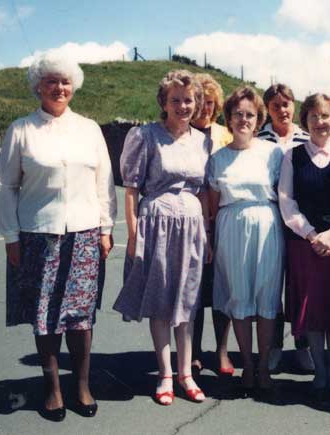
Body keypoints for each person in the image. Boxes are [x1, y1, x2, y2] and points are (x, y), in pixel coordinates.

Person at [0, 53, 117, 421]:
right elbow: (5, 186)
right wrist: (11, 236)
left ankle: (81, 385)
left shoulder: (89, 128)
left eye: (65, 82)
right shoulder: (21, 129)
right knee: (44, 315)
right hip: (37, 236)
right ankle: (52, 389)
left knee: (80, 315)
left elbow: (104, 181)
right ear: (38, 86)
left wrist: (106, 227)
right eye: (51, 81)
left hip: (84, 233)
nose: (59, 88)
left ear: (73, 86)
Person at [113, 70, 210, 405]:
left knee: (187, 300)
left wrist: (207, 234)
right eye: (175, 100)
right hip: (156, 223)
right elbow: (131, 189)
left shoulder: (202, 140)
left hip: (191, 227)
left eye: (188, 100)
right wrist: (132, 231)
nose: (182, 106)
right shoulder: (146, 136)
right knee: (160, 301)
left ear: (196, 103)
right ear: (164, 103)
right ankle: (165, 374)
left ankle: (186, 374)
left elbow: (205, 190)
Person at [278, 93, 330, 396]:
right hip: (305, 245)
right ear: (305, 120)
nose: (320, 121)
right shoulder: (293, 156)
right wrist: (313, 235)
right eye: (313, 116)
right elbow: (286, 201)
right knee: (311, 308)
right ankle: (320, 369)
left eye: (325, 115)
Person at [208, 86, 284, 390]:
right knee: (238, 297)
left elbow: (284, 195)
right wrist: (212, 241)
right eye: (237, 114)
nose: (243, 119)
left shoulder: (273, 153)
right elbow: (213, 206)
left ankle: (264, 365)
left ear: (258, 119)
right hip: (231, 228)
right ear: (228, 117)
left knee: (267, 297)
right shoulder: (218, 159)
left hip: (267, 225)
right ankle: (248, 366)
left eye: (250, 114)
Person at [257, 83, 313, 372]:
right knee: (272, 285)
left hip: (300, 221)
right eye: (275, 105)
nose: (282, 110)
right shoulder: (259, 139)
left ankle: (302, 345)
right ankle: (274, 346)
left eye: (286, 104)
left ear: (294, 105)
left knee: (299, 284)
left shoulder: (306, 139)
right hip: (269, 219)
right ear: (267, 109)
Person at [190, 73, 234, 376]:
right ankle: (192, 351)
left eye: (211, 103)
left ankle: (221, 351)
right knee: (192, 289)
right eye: (201, 102)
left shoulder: (225, 134)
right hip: (191, 221)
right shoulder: (182, 132)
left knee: (222, 286)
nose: (206, 108)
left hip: (221, 221)